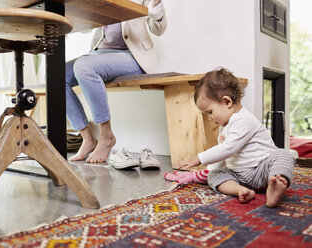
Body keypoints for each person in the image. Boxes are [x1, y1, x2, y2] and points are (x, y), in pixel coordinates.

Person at [177, 68, 296, 208]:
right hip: (239, 176)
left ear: (226, 102)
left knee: (283, 155)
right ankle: (240, 190)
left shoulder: (244, 120)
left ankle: (276, 181)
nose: (209, 118)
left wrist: (198, 158)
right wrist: (208, 171)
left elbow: (228, 148)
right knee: (215, 175)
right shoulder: (224, 126)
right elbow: (222, 156)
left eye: (210, 112)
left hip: (262, 170)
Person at [65, 0, 167, 163]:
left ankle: (106, 137)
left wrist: (156, 7)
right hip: (99, 53)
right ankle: (88, 138)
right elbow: (85, 26)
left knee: (83, 67)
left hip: (130, 56)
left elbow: (159, 29)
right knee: (60, 74)